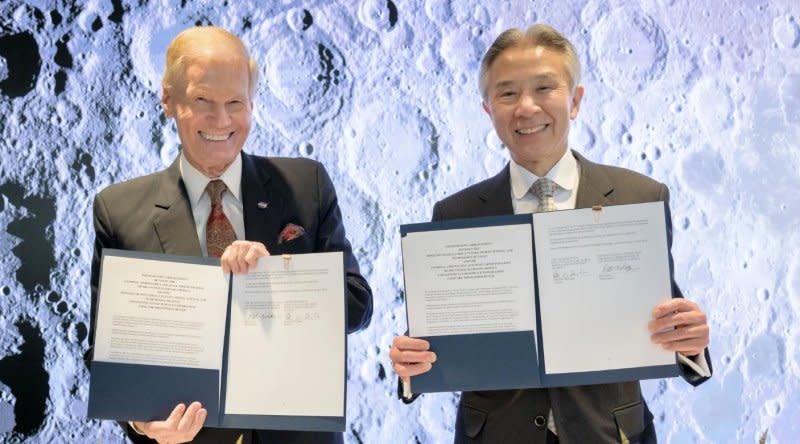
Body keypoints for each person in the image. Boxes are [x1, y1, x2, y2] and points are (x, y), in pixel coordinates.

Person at [389, 24, 711, 443]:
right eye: (507, 94)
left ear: (575, 100)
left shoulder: (639, 198)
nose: (526, 107)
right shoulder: (456, 213)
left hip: (611, 434)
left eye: (544, 88)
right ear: (488, 110)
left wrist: (691, 342)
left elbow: (662, 315)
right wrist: (411, 365)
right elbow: (438, 337)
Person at [88, 26, 373, 444]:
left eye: (235, 103)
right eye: (202, 101)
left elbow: (357, 306)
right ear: (169, 100)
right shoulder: (118, 210)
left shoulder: (306, 184)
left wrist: (279, 279)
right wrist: (141, 422)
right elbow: (104, 354)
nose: (221, 121)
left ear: (252, 104)